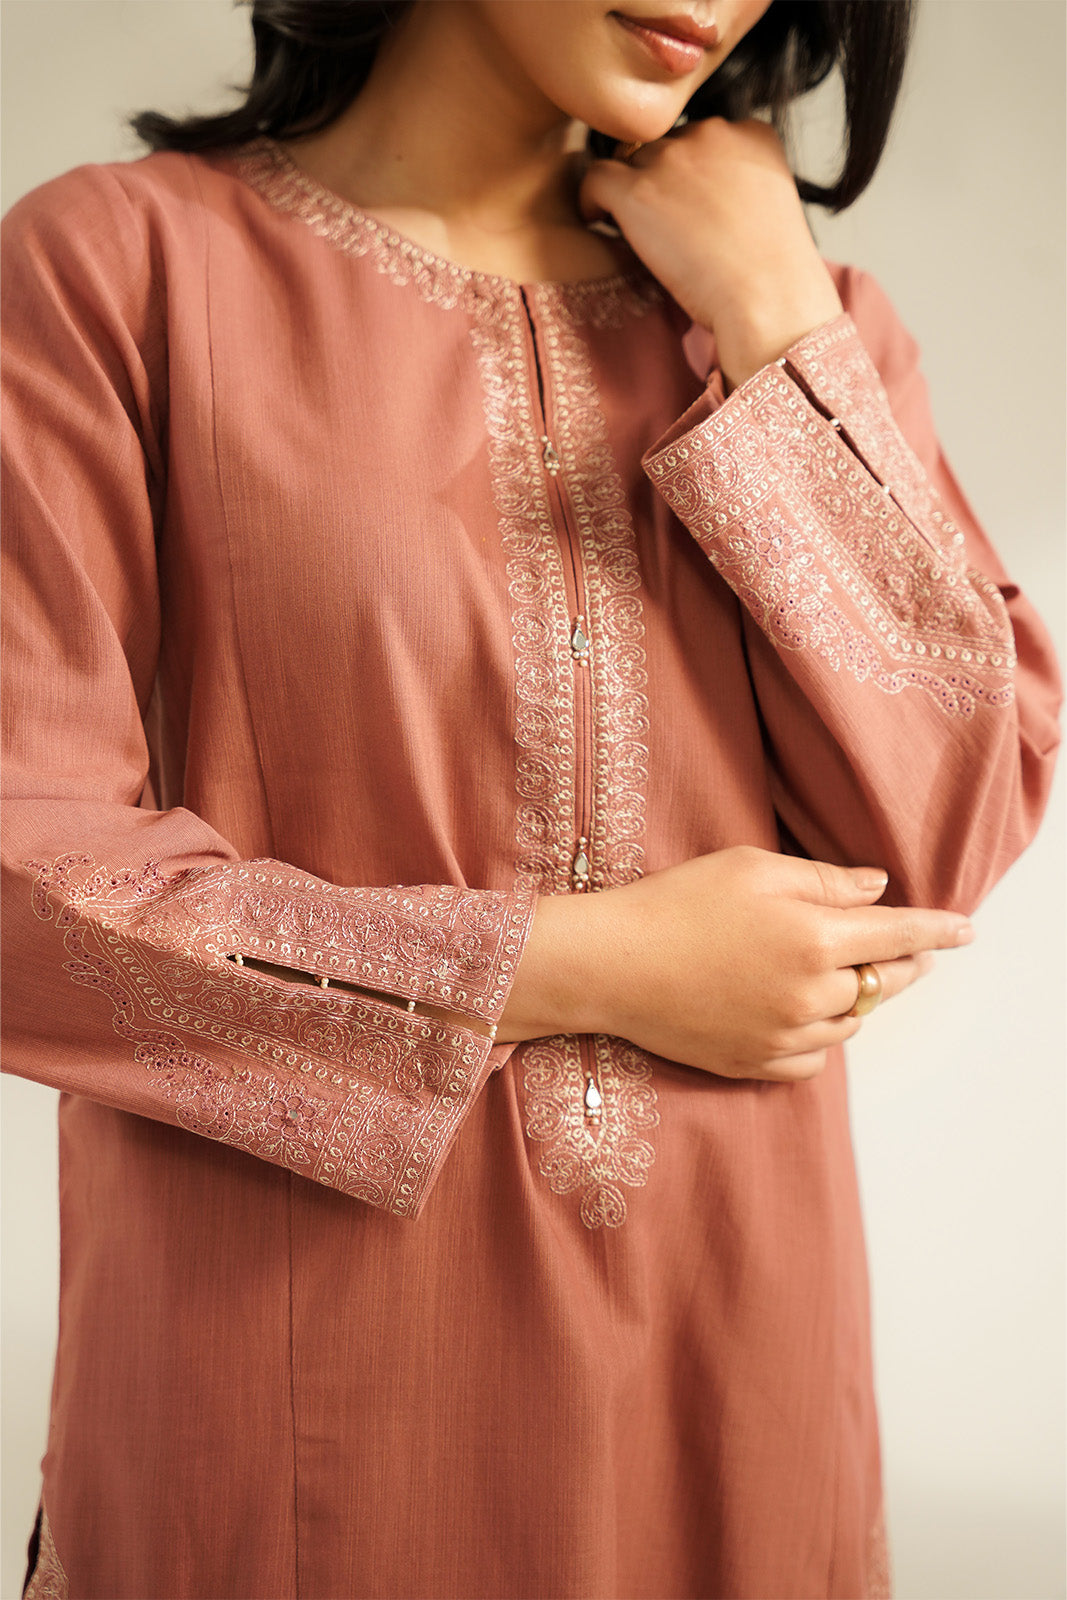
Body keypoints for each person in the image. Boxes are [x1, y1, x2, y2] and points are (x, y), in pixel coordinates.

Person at [2, 1, 1060, 1596]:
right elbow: (26, 886)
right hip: (295, 1404)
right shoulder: (122, 269)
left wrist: (775, 317)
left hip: (737, 1373)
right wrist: (582, 968)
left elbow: (948, 831)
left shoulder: (807, 327)